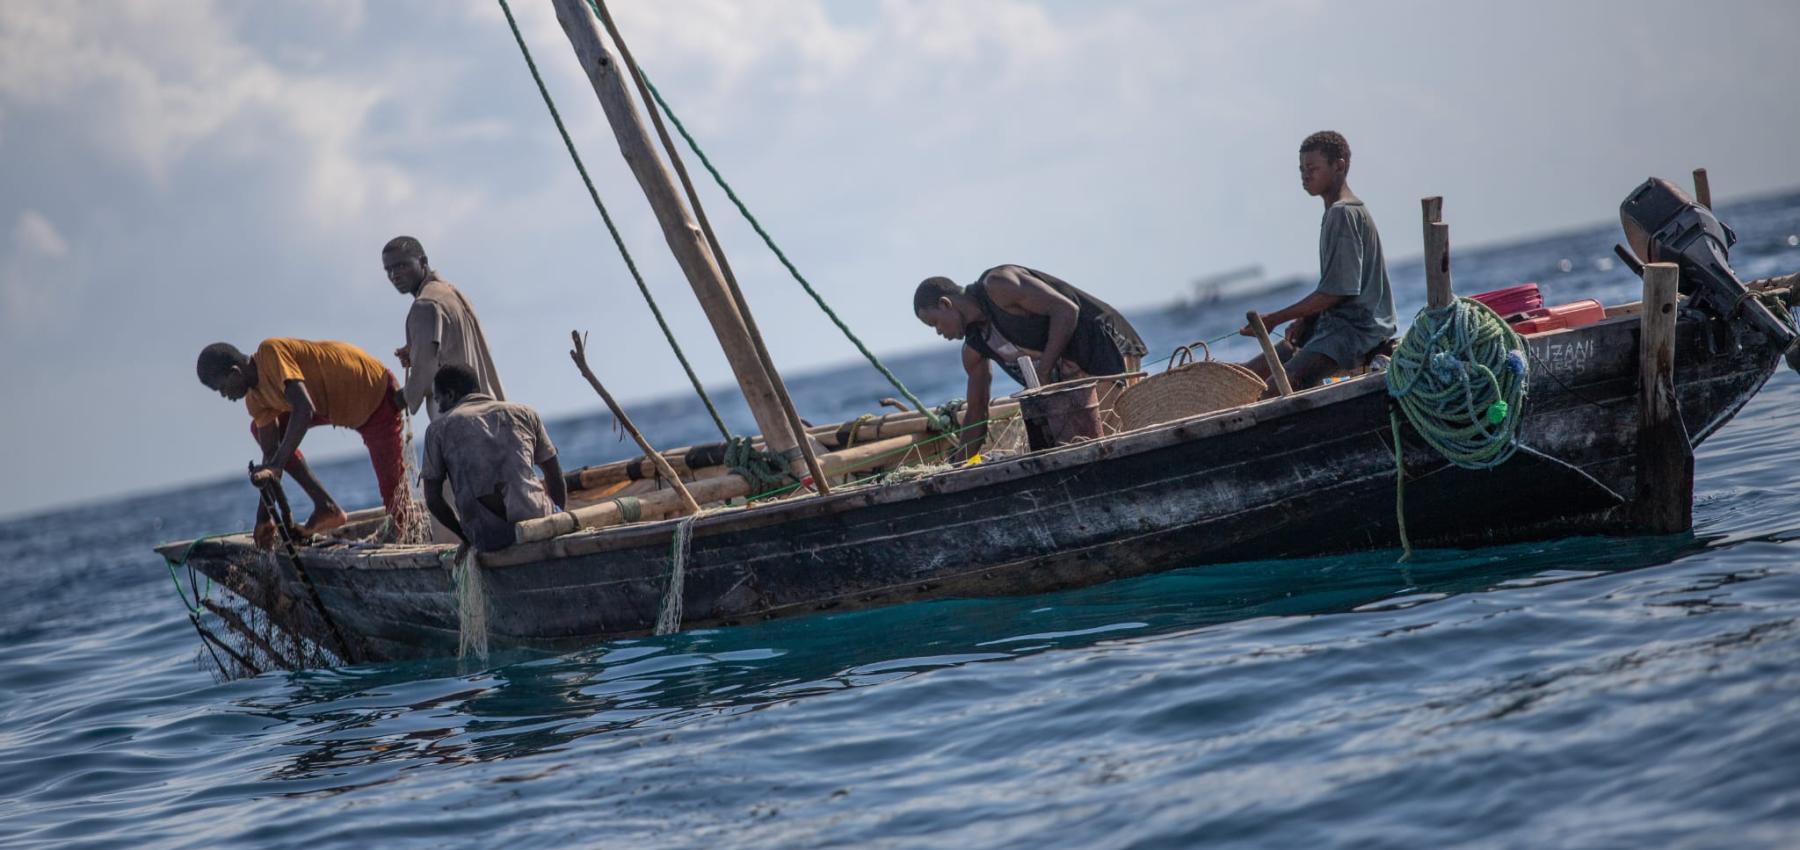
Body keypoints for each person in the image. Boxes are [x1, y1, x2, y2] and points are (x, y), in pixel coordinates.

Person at [196, 338, 413, 547]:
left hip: (375, 396)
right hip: (334, 407)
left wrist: (276, 463)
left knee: (396, 504)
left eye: (222, 388)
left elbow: (304, 410)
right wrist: (263, 517)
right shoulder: (255, 401)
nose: (225, 396)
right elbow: (270, 455)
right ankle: (327, 507)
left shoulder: (270, 353)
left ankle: (406, 540)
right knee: (261, 432)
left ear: (235, 372)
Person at [914, 265, 1146, 456]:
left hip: (1105, 349)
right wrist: (959, 464)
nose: (938, 332)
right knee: (1074, 445)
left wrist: (1044, 371)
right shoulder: (974, 349)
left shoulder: (998, 285)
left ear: (946, 303)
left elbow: (1066, 310)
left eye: (935, 323)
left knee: (1111, 441)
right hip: (1075, 384)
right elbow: (976, 413)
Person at [1240, 130, 1397, 395]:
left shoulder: (1342, 213)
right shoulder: (1339, 211)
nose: (1305, 175)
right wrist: (1305, 320)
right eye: (1302, 169)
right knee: (1248, 375)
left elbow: (1337, 290)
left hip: (1354, 332)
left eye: (1312, 168)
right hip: (1335, 327)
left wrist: (1275, 319)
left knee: (1271, 391)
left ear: (1339, 166)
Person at [421, 364, 567, 552]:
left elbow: (432, 499)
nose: (439, 409)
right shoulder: (524, 412)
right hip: (541, 521)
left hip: (489, 538)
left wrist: (466, 538)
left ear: (450, 395)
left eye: (438, 400)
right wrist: (559, 520)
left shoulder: (438, 430)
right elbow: (554, 474)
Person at [384, 236, 506, 420]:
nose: (394, 275)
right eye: (389, 270)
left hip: (461, 423)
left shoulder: (424, 305)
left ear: (423, 261)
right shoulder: (454, 294)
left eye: (402, 266)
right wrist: (415, 351)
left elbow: (423, 376)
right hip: (493, 415)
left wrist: (397, 400)